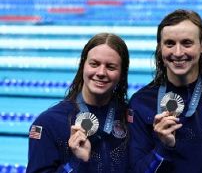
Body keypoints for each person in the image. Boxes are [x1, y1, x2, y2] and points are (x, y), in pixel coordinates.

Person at [128, 9, 202, 172]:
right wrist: (162, 147)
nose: (178, 53)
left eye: (187, 43)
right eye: (170, 43)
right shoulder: (141, 102)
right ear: (160, 48)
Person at [27, 33, 130, 172]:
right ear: (83, 66)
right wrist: (75, 163)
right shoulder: (49, 123)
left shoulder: (130, 118)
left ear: (122, 74)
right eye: (94, 64)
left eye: (111, 67)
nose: (101, 72)